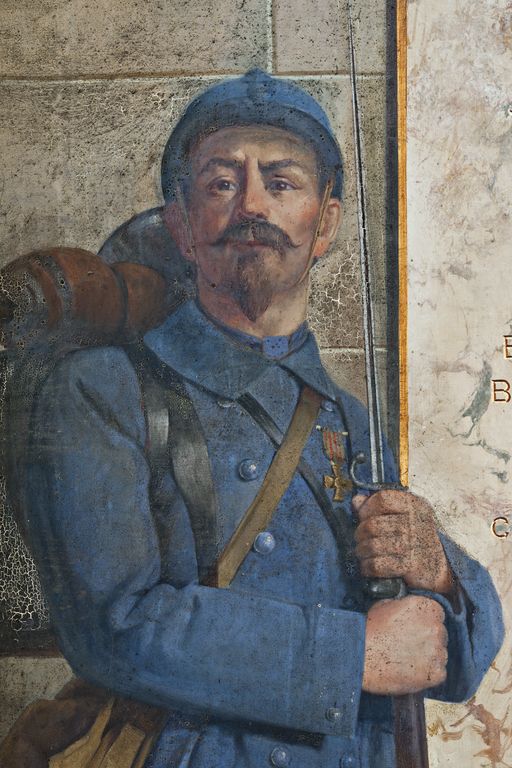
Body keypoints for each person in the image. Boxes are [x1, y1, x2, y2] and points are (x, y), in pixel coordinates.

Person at [19, 70, 503, 768]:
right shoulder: (101, 389)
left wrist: (439, 574)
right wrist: (353, 654)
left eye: (281, 182)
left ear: (325, 224)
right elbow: (112, 625)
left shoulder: (346, 416)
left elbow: (454, 658)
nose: (251, 205)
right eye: (221, 183)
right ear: (181, 226)